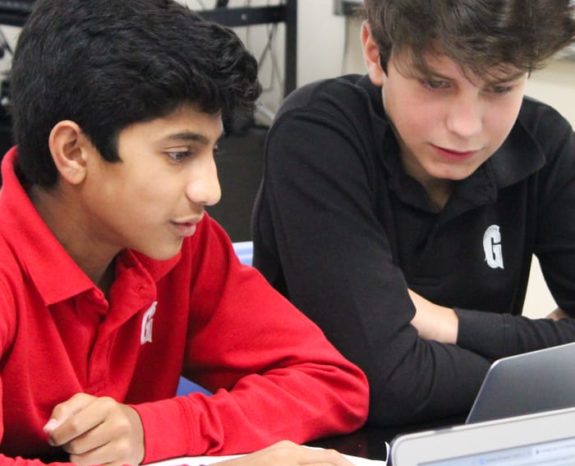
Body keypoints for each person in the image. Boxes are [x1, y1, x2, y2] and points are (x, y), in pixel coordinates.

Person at [0, 0, 370, 464]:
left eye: (213, 150)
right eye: (179, 154)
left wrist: (152, 430)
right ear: (74, 152)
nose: (211, 190)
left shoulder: (183, 245)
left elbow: (331, 384)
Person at [252, 0, 575, 428]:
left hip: (485, 441)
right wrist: (542, 367)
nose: (465, 125)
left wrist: (450, 325)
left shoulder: (543, 139)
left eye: (499, 88)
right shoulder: (317, 133)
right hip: (329, 445)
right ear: (374, 51)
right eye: (435, 83)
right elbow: (386, 384)